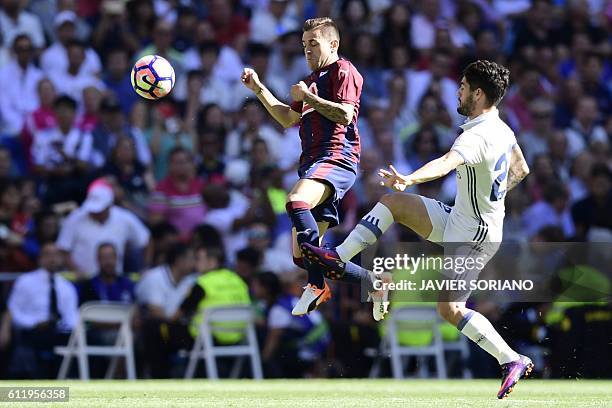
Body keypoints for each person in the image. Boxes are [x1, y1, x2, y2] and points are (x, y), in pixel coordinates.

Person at [302, 60, 534, 398]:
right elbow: (521, 168)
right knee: (394, 204)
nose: (459, 91)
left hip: (473, 236)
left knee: (450, 308)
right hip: (462, 220)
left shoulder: (477, 136)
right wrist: (493, 196)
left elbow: (445, 163)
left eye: (464, 86)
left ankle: (511, 358)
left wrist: (410, 178)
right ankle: (337, 258)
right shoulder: (501, 128)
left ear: (478, 93)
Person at [240, 17, 364, 315]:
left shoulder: (342, 70)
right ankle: (373, 281)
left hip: (336, 157)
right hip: (312, 162)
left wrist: (309, 96)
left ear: (333, 44)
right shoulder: (309, 80)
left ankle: (316, 287)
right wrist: (259, 89)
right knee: (305, 256)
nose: (307, 50)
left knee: (295, 201)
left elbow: (346, 115)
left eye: (314, 44)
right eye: (304, 45)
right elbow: (287, 118)